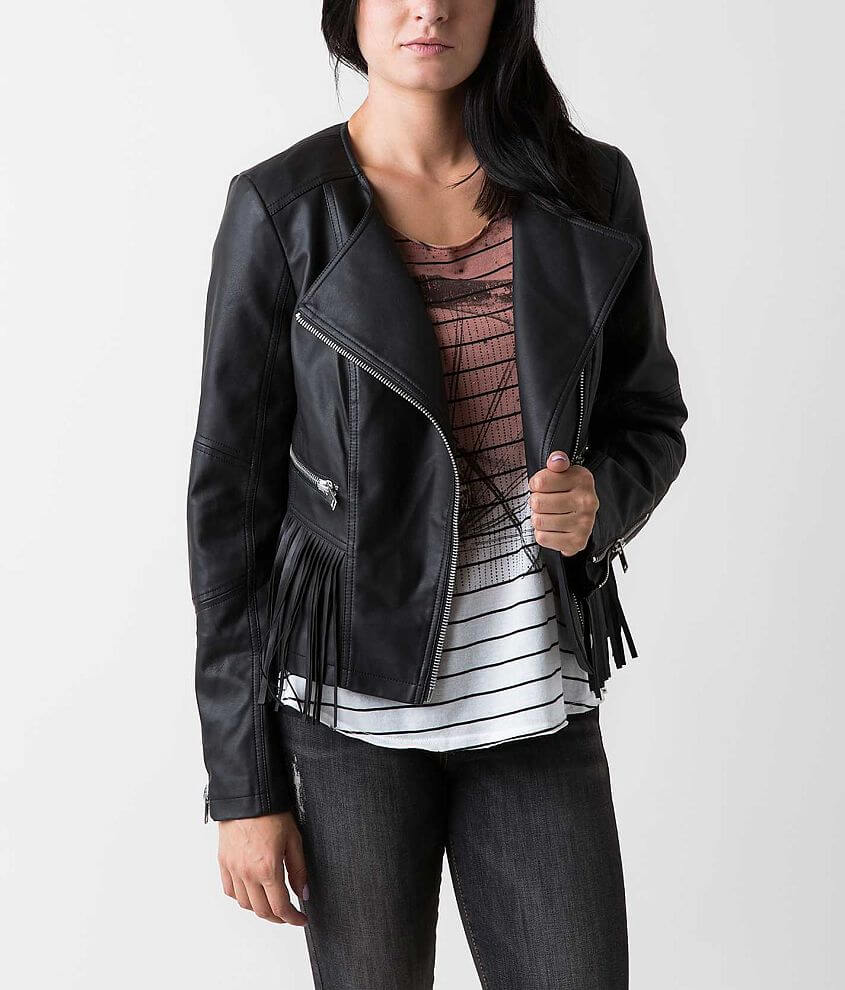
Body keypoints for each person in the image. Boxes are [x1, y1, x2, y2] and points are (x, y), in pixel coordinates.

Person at [186, 2, 688, 987]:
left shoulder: (587, 187)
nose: (428, 7)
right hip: (347, 719)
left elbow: (648, 418)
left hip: (533, 700)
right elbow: (229, 509)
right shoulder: (283, 208)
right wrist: (243, 786)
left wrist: (599, 499)